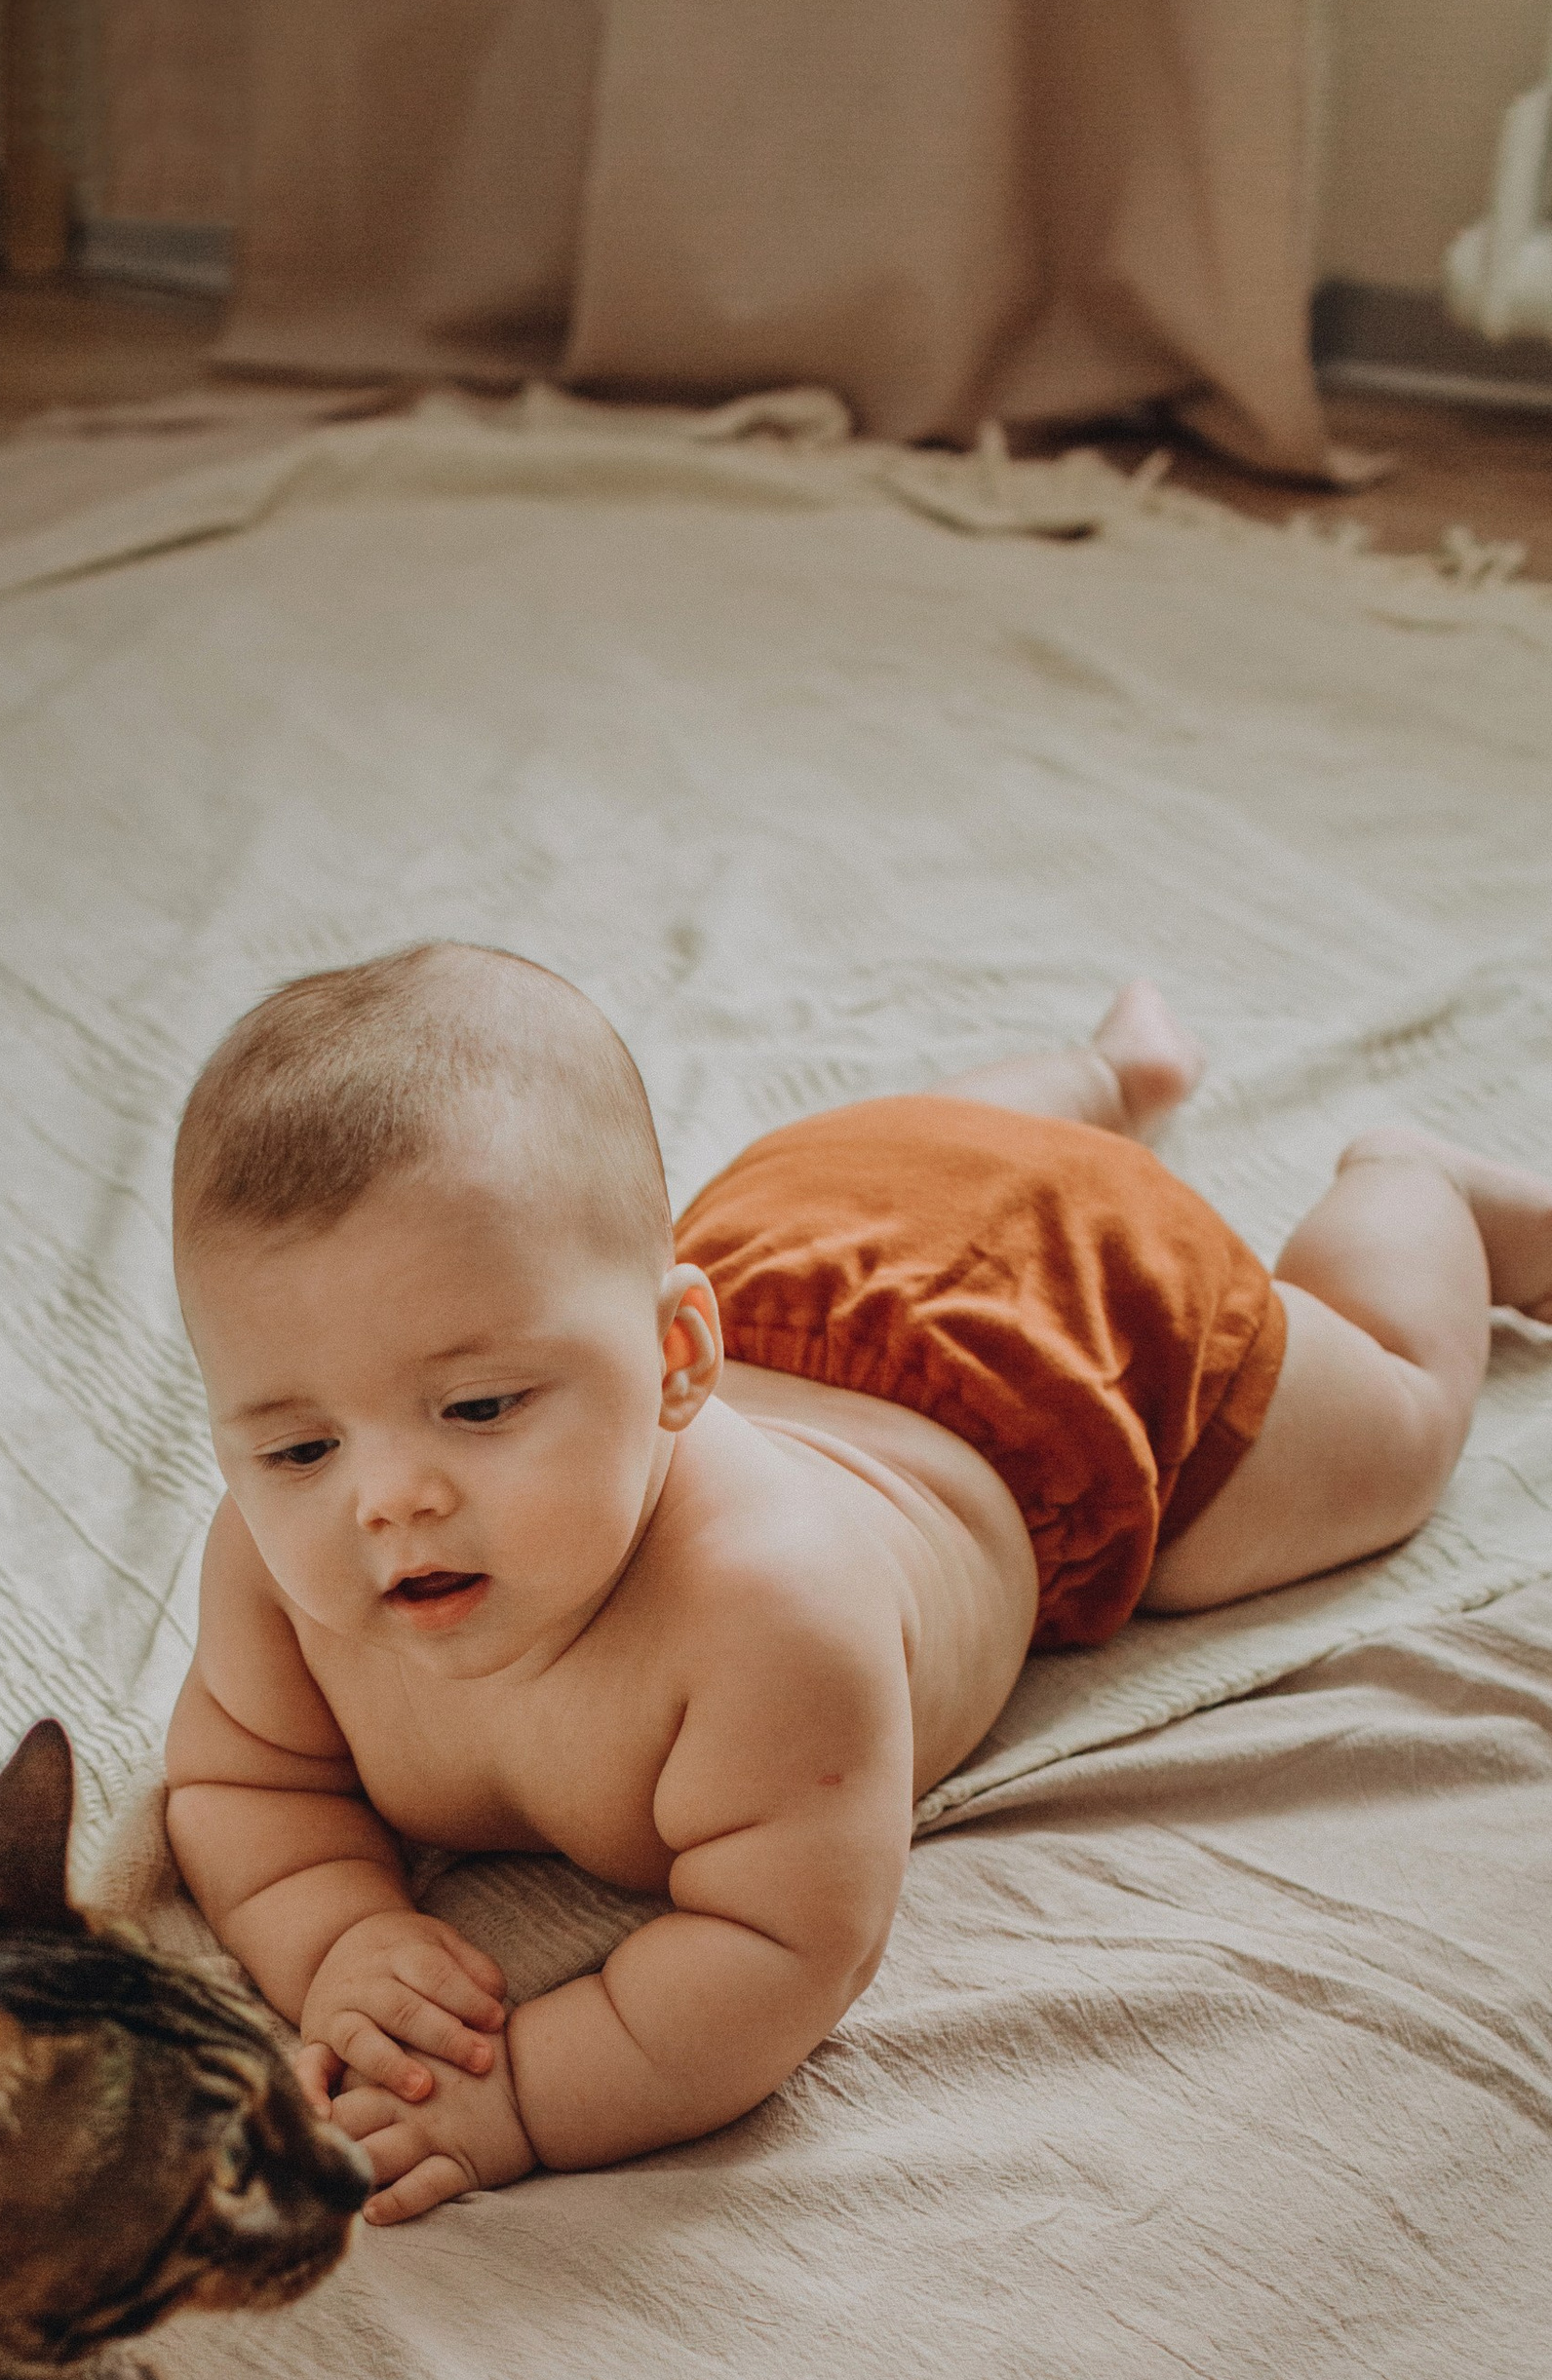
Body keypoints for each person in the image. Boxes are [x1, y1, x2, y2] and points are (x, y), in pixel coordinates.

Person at [161, 943, 1550, 2224]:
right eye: (296, 1444)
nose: (384, 1497)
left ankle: (1415, 1190)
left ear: (671, 1365)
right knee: (907, 1154)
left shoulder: (766, 1615)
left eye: (475, 1408)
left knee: (1393, 1436)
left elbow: (785, 1945)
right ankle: (1104, 1074)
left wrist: (528, 2088)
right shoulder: (278, 1576)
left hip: (1037, 1362)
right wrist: (336, 1937)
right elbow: (241, 1787)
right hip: (813, 1213)